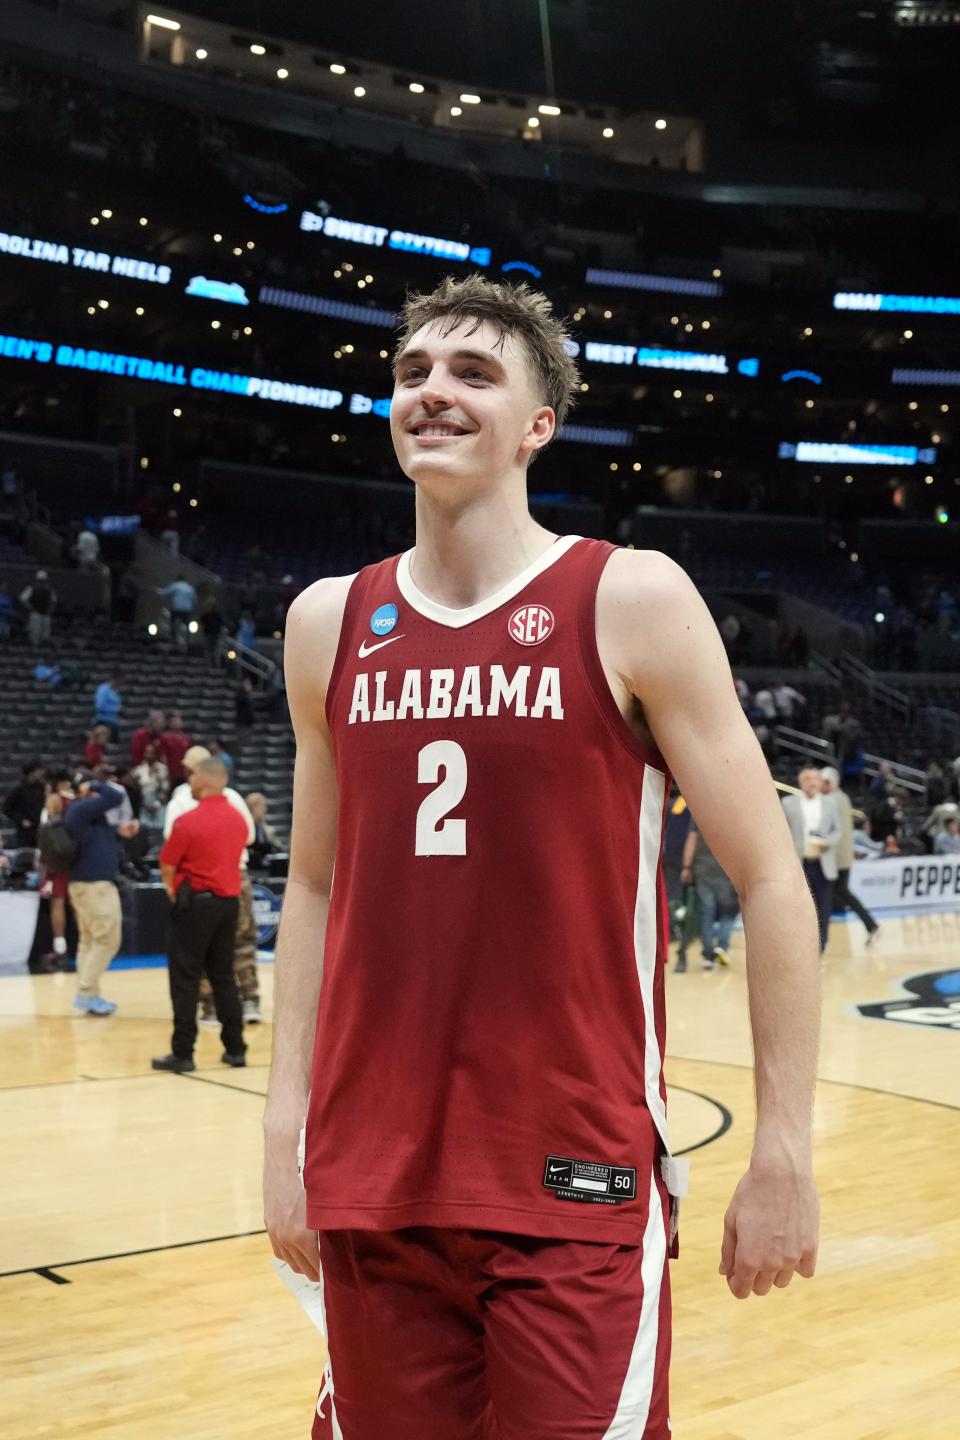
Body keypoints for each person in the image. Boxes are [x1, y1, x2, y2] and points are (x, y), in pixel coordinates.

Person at [264, 274, 821, 1439]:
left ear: (538, 425)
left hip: (574, 1173)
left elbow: (774, 881)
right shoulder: (328, 620)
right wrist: (286, 1132)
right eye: (413, 372)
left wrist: (782, 1149)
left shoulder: (626, 596)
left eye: (473, 374)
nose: (433, 392)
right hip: (373, 1174)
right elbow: (312, 885)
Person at [152, 757, 251, 1072]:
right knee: (223, 975)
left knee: (185, 977)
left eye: (194, 774)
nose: (189, 779)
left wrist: (172, 891)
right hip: (229, 902)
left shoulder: (188, 821)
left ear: (206, 780)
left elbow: (167, 865)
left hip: (195, 904)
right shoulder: (238, 819)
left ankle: (183, 1053)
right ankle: (235, 1048)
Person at [164, 746, 259, 1023]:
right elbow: (249, 836)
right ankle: (249, 1000)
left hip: (200, 883)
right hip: (235, 875)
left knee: (200, 950)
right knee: (240, 942)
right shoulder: (232, 798)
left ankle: (211, 1007)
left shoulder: (181, 801)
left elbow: (173, 844)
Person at [64, 773, 139, 1015]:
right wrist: (93, 785)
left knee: (90, 940)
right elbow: (115, 795)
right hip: (94, 886)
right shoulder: (82, 808)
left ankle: (87, 995)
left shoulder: (87, 814)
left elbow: (97, 838)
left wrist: (120, 832)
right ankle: (86, 993)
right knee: (107, 939)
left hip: (88, 885)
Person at [781, 765, 841, 954]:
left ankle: (821, 945)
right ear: (801, 782)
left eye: (815, 778)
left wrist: (828, 842)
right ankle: (798, 943)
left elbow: (838, 831)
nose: (812, 782)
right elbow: (782, 832)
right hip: (799, 863)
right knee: (798, 905)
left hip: (822, 862)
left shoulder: (830, 803)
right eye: (807, 779)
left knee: (823, 906)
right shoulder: (789, 803)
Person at [819, 767, 880, 946]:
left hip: (834, 858)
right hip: (844, 856)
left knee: (824, 897)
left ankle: (822, 939)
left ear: (829, 783)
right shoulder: (843, 797)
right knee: (842, 893)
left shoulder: (829, 800)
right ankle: (870, 924)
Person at [680, 819, 740, 969]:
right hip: (726, 870)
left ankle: (707, 955)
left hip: (703, 869)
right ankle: (722, 946)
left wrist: (686, 866)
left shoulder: (700, 813)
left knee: (707, 911)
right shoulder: (734, 814)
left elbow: (692, 840)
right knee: (729, 910)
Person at [36, 771, 75, 973]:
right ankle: (83, 946)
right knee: (77, 901)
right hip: (77, 858)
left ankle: (60, 949)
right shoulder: (76, 800)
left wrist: (43, 860)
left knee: (57, 903)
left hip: (58, 860)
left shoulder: (54, 801)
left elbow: (48, 834)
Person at [3, 759, 46, 849]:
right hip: (25, 831)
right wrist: (21, 820)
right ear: (31, 772)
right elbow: (6, 808)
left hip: (40, 828)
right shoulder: (19, 789)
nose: (42, 773)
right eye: (39, 771)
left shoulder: (42, 787)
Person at [131, 743, 170, 833]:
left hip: (158, 802)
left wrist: (156, 804)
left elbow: (165, 789)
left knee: (159, 828)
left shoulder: (162, 768)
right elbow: (136, 790)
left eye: (151, 753)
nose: (149, 755)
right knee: (145, 829)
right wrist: (144, 803)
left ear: (156, 754)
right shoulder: (139, 770)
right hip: (144, 803)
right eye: (147, 752)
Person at [20, 569, 56, 646]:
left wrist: (51, 609)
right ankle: (34, 648)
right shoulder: (32, 588)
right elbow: (23, 598)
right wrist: (30, 607)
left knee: (45, 634)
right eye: (40, 580)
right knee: (35, 633)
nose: (42, 581)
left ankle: (43, 648)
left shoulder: (49, 589)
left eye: (43, 580)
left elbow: (53, 600)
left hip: (46, 614)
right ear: (37, 579)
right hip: (36, 613)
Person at [246, 791, 278, 869]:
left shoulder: (263, 827)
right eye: (262, 806)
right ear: (253, 808)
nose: (265, 810)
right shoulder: (247, 827)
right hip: (251, 867)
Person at [161, 711, 192, 784]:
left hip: (183, 771)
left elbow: (189, 755)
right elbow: (163, 756)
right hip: (171, 772)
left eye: (179, 722)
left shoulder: (187, 738)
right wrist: (165, 771)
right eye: (174, 722)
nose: (177, 724)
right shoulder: (165, 737)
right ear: (170, 724)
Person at [94, 674, 122, 742]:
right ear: (113, 680)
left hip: (113, 722)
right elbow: (99, 706)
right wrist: (115, 709)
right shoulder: (103, 689)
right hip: (104, 722)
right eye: (118, 682)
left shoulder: (114, 691)